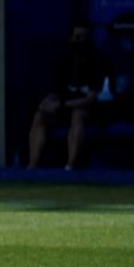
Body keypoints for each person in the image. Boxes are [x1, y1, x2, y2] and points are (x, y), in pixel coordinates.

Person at [28, 22, 111, 170]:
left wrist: (61, 105)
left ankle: (69, 167)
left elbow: (90, 99)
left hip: (95, 111)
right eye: (78, 36)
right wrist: (46, 103)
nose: (81, 41)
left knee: (78, 114)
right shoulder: (64, 62)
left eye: (85, 37)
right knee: (40, 115)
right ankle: (32, 167)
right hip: (66, 107)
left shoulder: (99, 62)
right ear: (71, 38)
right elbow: (54, 92)